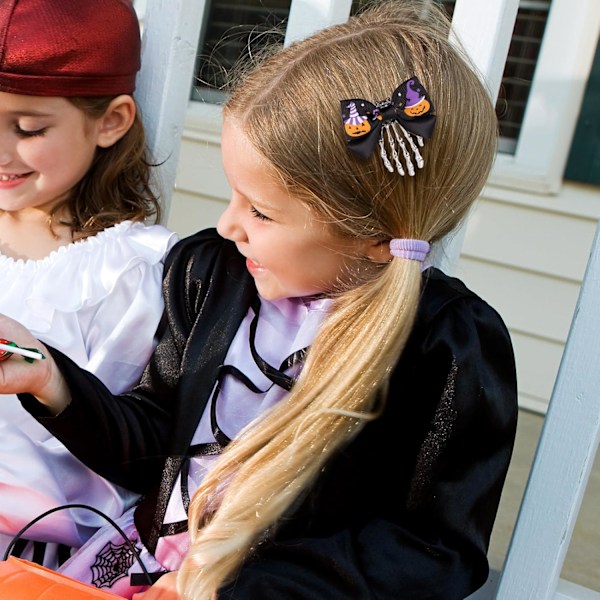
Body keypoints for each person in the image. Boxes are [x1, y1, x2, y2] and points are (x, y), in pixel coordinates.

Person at [0, 1, 518, 598]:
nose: (227, 226)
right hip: (127, 573)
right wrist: (50, 379)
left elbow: (432, 549)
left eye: (260, 211)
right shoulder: (212, 277)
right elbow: (154, 456)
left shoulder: (446, 346)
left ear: (373, 235)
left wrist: (232, 588)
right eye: (233, 196)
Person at [0, 0, 177, 570]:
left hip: (42, 555)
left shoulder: (128, 272)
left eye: (28, 129)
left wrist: (41, 374)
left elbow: (124, 446)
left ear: (111, 120)